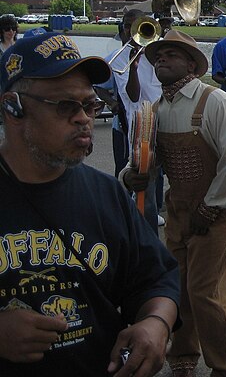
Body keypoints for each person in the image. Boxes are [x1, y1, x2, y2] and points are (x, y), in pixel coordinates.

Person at [0, 32, 180, 375]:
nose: (83, 119)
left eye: (90, 105)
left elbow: (156, 278)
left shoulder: (107, 194)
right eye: (66, 107)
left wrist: (156, 323)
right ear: (13, 108)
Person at [121, 30, 226, 376]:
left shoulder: (218, 102)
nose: (161, 59)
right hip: (177, 210)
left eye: (171, 55)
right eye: (158, 56)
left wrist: (211, 206)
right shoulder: (154, 111)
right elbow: (142, 163)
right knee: (178, 288)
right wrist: (129, 177)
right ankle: (183, 357)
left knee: (207, 292)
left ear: (191, 64)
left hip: (217, 212)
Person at [102, 9, 164, 231]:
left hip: (164, 122)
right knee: (141, 184)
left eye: (137, 25)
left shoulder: (158, 52)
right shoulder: (119, 60)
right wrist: (134, 68)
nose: (132, 31)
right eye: (128, 26)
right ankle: (142, 232)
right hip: (139, 128)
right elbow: (134, 96)